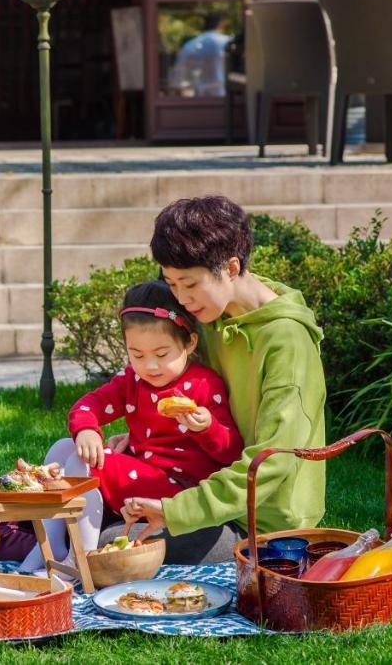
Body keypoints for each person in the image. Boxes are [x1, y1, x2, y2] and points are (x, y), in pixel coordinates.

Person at [119, 195, 327, 564]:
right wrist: (141, 432)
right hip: (192, 483)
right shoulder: (210, 313)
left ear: (231, 268)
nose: (181, 299)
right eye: (172, 284)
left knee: (109, 541)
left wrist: (175, 512)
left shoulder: (287, 342)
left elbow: (271, 461)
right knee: (81, 498)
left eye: (189, 284)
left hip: (260, 526)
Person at [19, 280, 242, 571]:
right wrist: (87, 429)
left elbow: (231, 452)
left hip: (177, 493)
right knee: (63, 446)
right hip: (141, 474)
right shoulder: (134, 381)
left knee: (84, 461)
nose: (150, 366)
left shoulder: (203, 385)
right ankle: (49, 541)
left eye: (162, 355)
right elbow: (88, 405)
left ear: (189, 342)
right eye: (137, 355)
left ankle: (82, 559)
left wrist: (207, 427)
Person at [167, 13, 233, 98]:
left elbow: (178, 75)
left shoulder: (191, 45)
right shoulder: (227, 42)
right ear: (221, 24)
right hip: (225, 96)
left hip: (200, 97)